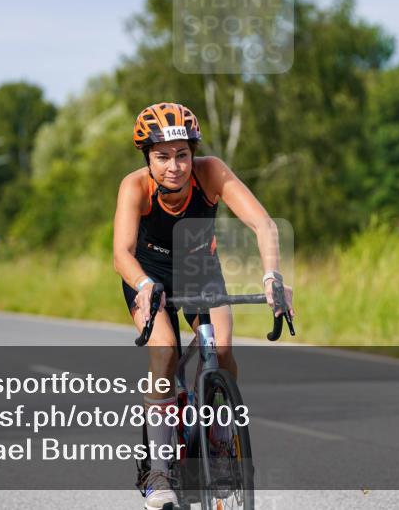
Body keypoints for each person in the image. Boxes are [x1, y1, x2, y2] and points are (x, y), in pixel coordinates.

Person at [113, 102, 294, 510]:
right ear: (147, 158)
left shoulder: (211, 172)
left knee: (223, 348)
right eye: (162, 157)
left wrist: (272, 276)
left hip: (198, 266)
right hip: (148, 272)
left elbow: (263, 224)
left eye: (182, 155)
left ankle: (218, 437)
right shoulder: (135, 187)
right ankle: (158, 471)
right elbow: (121, 253)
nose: (174, 166)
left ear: (193, 154)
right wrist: (143, 284)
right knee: (165, 351)